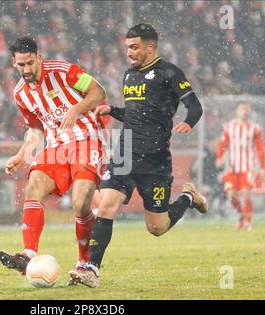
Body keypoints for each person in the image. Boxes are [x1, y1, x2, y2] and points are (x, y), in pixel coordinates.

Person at [69, 23, 208, 288]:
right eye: (127, 48)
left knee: (157, 228)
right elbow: (136, 113)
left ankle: (189, 197)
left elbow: (195, 105)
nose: (129, 52)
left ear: (150, 47)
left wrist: (188, 123)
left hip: (155, 160)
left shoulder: (169, 72)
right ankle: (92, 270)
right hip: (125, 151)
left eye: (134, 47)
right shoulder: (128, 75)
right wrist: (112, 110)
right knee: (106, 205)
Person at [0, 37, 107, 285]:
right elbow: (36, 130)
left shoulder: (66, 72)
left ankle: (84, 264)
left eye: (31, 63)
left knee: (80, 203)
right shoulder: (20, 94)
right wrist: (22, 154)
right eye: (21, 65)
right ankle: (28, 254)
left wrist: (76, 109)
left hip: (87, 140)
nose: (27, 70)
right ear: (14, 63)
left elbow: (99, 92)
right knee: (33, 185)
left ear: (39, 57)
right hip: (56, 147)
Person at [216, 101, 265, 231]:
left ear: (248, 111)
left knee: (247, 194)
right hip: (232, 168)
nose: (244, 111)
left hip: (247, 167)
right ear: (237, 111)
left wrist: (262, 167)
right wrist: (219, 157)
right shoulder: (229, 127)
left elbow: (260, 148)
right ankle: (241, 215)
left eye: (246, 109)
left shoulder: (254, 128)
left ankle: (248, 222)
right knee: (231, 195)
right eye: (242, 109)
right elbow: (223, 143)